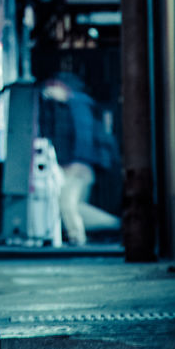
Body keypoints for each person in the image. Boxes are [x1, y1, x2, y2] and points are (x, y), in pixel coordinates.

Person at [39, 72, 114, 246]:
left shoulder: (75, 105)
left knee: (67, 205)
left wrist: (75, 161)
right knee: (74, 206)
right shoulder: (80, 105)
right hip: (80, 166)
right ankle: (107, 227)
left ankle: (78, 238)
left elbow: (82, 137)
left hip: (76, 166)